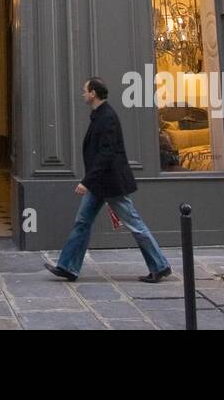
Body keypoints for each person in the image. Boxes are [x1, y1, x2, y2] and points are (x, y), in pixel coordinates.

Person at [46, 77, 172, 284]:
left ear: (93, 93)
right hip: (100, 184)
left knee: (134, 224)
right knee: (82, 222)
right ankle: (68, 266)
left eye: (85, 90)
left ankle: (160, 265)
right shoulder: (100, 116)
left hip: (111, 183)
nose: (83, 94)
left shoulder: (107, 117)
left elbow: (106, 154)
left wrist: (86, 181)